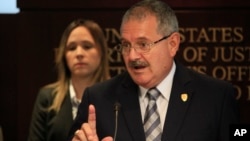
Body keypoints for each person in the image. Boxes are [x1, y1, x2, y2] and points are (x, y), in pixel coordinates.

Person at [68, 0, 239, 141]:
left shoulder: (217, 97)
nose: (132, 56)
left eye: (143, 45)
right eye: (126, 45)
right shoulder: (98, 100)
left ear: (173, 44)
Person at [27, 19, 110, 141]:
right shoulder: (47, 97)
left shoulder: (117, 96)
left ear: (101, 52)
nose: (79, 53)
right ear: (64, 55)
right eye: (71, 48)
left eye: (87, 46)